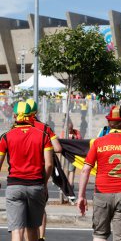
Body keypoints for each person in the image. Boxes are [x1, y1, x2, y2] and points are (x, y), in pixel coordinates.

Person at [77, 105, 121, 241]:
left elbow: (85, 170)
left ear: (109, 123)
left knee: (99, 235)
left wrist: (81, 196)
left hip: (102, 194)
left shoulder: (98, 143)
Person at [0, 102, 53, 241]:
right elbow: (49, 165)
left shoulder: (6, 136)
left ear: (14, 116)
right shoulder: (43, 136)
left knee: (17, 230)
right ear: (32, 116)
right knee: (33, 228)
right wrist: (44, 182)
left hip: (14, 186)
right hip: (36, 185)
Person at [26, 98, 62, 241]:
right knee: (40, 208)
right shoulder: (45, 127)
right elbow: (58, 148)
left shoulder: (15, 127)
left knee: (21, 213)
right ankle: (41, 237)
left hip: (19, 172)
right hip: (39, 172)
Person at [60, 121, 82, 194]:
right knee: (65, 170)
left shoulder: (76, 132)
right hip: (65, 155)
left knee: (72, 171)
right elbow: (61, 141)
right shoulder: (63, 133)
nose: (70, 131)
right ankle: (65, 185)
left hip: (73, 155)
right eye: (69, 129)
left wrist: (74, 138)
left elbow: (80, 140)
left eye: (71, 129)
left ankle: (71, 185)